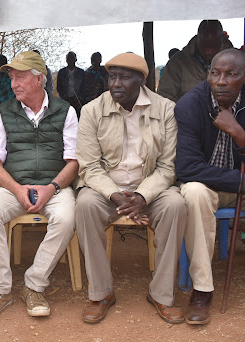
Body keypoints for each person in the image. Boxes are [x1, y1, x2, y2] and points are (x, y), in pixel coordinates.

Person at [75, 52, 186, 325]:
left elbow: (168, 167)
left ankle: (161, 294)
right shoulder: (91, 110)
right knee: (85, 204)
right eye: (112, 77)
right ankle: (101, 293)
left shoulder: (166, 110)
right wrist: (116, 195)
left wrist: (142, 196)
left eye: (124, 77)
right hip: (106, 190)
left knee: (176, 205)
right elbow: (89, 166)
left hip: (150, 186)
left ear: (141, 80)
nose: (116, 84)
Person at [0, 51, 78, 321]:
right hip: (14, 186)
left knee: (67, 217)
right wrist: (17, 189)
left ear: (39, 79)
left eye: (20, 77)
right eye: (11, 77)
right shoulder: (3, 113)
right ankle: (0, 290)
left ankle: (34, 284)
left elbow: (73, 162)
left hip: (54, 186)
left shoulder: (65, 111)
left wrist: (51, 188)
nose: (13, 83)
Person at [175, 48, 245, 325]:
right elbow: (188, 168)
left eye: (231, 74)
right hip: (210, 187)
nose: (221, 81)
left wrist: (240, 134)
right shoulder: (190, 105)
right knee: (192, 192)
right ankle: (202, 291)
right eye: (215, 73)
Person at [158, 20, 226, 102]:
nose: (209, 52)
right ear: (198, 40)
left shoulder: (236, 62)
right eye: (205, 47)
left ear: (221, 41)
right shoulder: (177, 64)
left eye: (214, 47)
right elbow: (165, 100)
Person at [56, 51, 85, 117]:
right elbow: (59, 87)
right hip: (65, 100)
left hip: (77, 100)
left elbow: (83, 87)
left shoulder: (81, 72)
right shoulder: (61, 72)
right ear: (66, 60)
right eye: (68, 58)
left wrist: (80, 98)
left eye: (72, 58)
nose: (70, 60)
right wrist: (64, 96)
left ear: (76, 59)